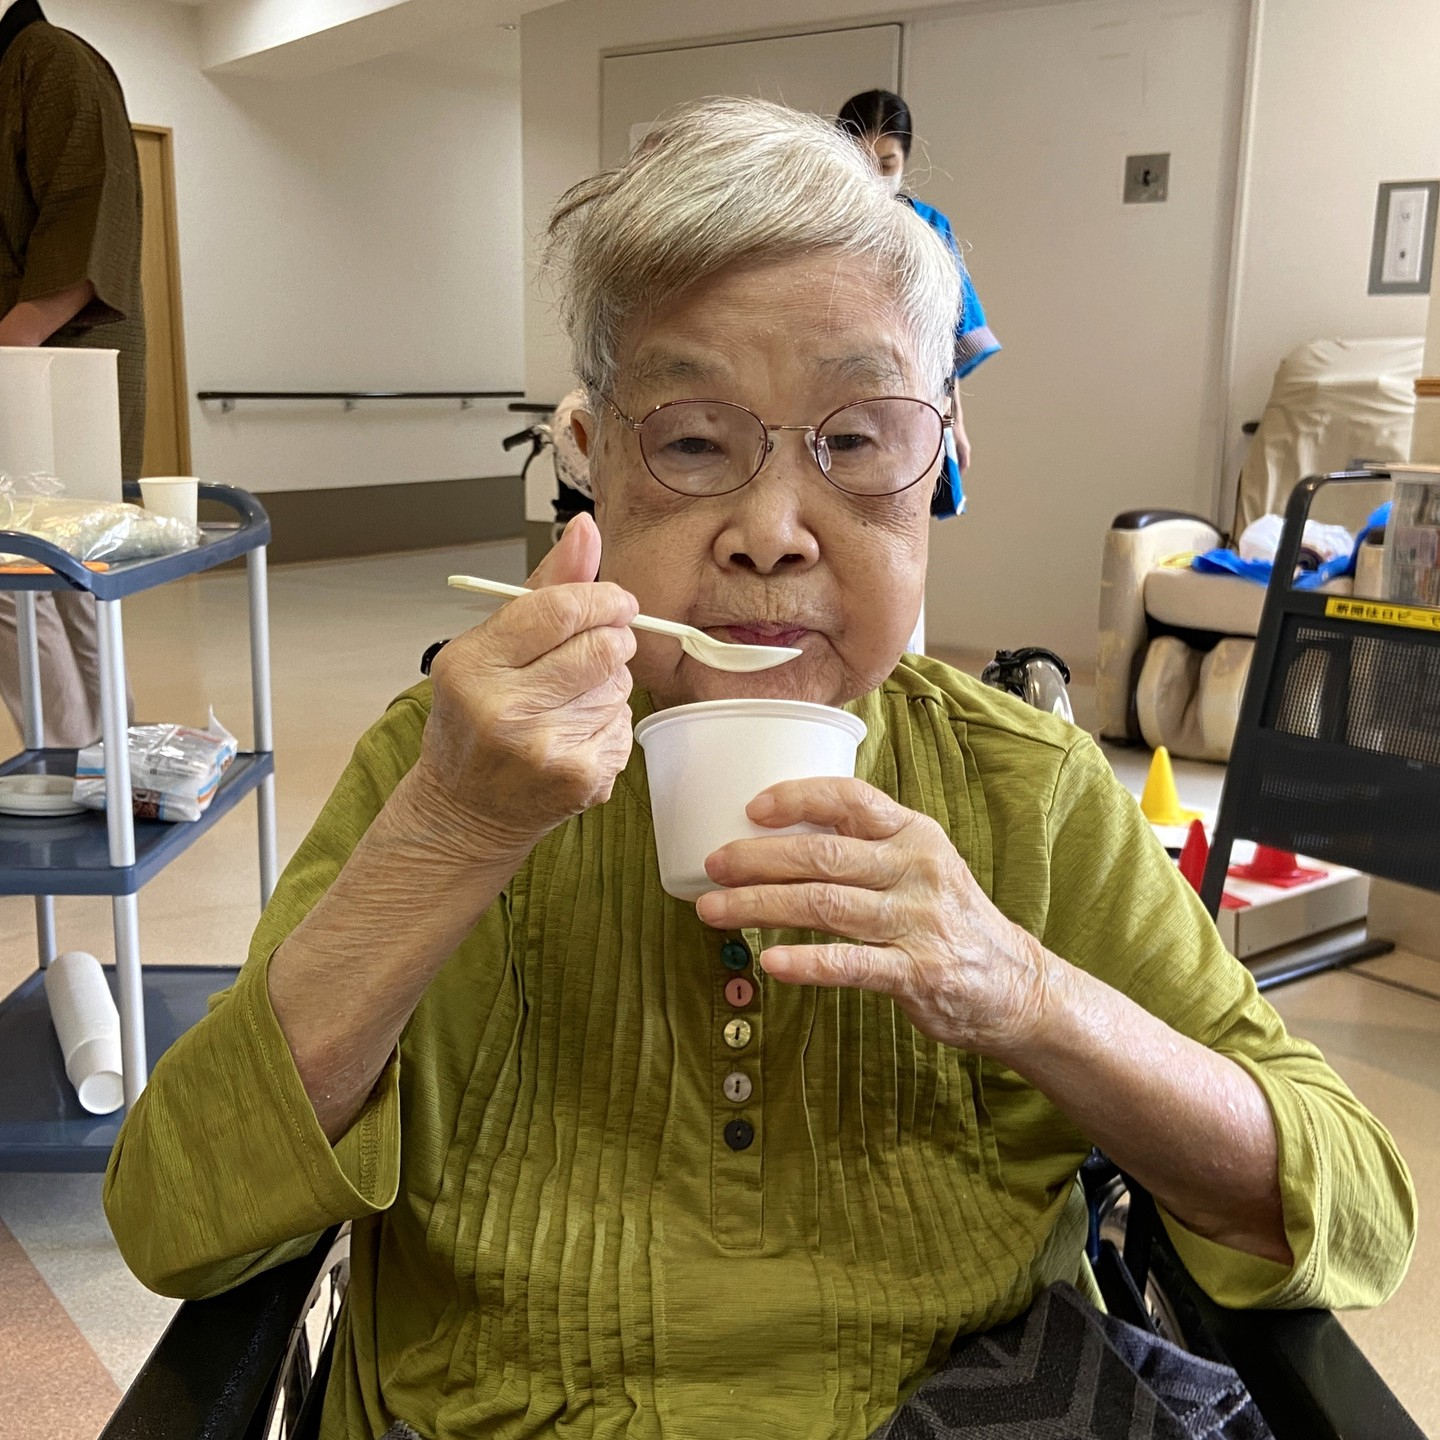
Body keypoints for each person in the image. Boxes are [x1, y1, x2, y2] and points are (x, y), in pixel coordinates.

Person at [104, 98, 1414, 1440]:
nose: (774, 531)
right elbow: (173, 1220)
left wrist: (1020, 990)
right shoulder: (438, 768)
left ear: (942, 462)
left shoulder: (1030, 793)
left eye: (857, 440)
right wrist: (449, 838)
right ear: (594, 461)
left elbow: (1358, 1221)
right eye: (689, 441)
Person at [0, 0, 143, 746]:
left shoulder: (49, 60)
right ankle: (104, 764)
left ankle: (71, 766)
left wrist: (3, 356)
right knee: (53, 582)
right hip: (24, 372)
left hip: (50, 375)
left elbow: (86, 242)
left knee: (38, 579)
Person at [839, 88, 998, 513]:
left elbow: (946, 338)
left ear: (904, 161)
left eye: (886, 164)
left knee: (903, 517)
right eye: (860, 161)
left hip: (912, 395)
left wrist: (956, 422)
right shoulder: (815, 225)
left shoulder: (928, 226)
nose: (873, 174)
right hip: (834, 396)